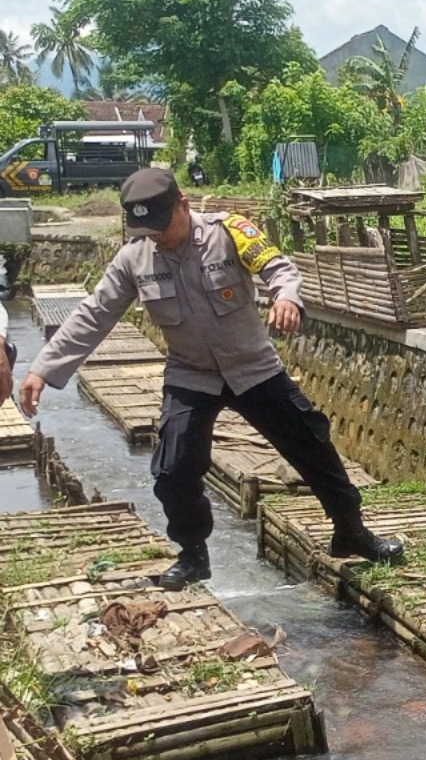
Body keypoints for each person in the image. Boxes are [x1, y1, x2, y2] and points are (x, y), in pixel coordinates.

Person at [19, 168, 400, 589]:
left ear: (183, 205)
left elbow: (279, 268)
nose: (158, 236)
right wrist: (43, 368)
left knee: (313, 446)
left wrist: (286, 297)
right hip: (191, 374)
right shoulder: (134, 257)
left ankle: (351, 531)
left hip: (253, 368)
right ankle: (193, 555)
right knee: (173, 470)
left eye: (163, 225)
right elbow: (94, 313)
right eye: (148, 229)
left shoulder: (231, 231)